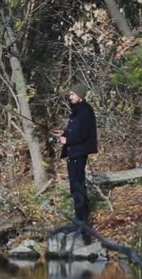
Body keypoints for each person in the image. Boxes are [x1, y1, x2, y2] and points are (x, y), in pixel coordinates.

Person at [51, 84, 98, 244]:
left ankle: (82, 223)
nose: (70, 96)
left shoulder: (85, 111)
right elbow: (76, 131)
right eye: (70, 94)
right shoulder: (78, 110)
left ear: (80, 95)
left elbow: (84, 134)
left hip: (78, 153)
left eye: (72, 94)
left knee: (78, 186)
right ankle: (80, 220)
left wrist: (67, 140)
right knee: (75, 186)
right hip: (74, 153)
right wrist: (63, 133)